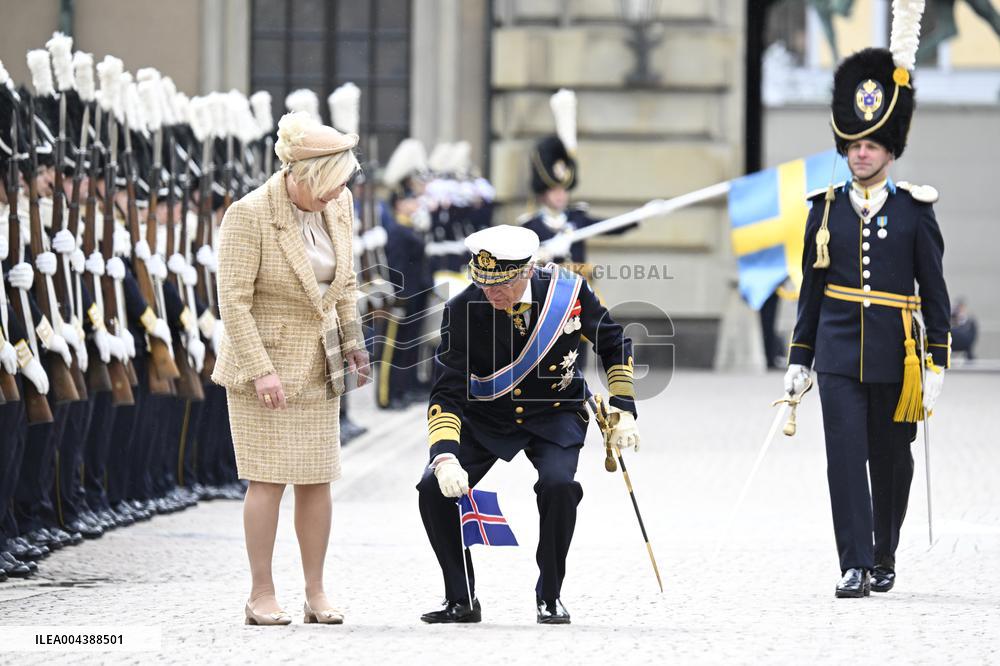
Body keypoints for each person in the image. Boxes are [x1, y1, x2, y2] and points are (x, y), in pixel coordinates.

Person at [784, 37, 951, 597]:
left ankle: (884, 553)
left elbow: (934, 288)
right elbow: (813, 286)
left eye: (873, 144)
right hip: (835, 354)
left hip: (897, 356)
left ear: (891, 149)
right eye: (854, 143)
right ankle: (852, 564)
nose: (861, 153)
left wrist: (937, 360)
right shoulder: (823, 207)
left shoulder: (914, 209)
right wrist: (799, 358)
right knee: (845, 459)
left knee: (892, 460)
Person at [416, 224, 639, 625]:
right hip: (486, 415)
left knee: (559, 487)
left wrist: (624, 407)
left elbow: (612, 341)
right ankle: (460, 598)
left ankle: (550, 595)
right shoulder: (462, 307)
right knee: (432, 488)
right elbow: (446, 390)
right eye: (482, 283)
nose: (490, 293)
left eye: (500, 284)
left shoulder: (569, 292)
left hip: (554, 411)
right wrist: (445, 455)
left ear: (526, 272)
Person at [213, 111, 370, 626]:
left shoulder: (340, 203)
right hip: (264, 369)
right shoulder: (249, 214)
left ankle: (316, 593)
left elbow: (344, 283)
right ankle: (261, 593)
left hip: (317, 364)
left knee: (317, 479)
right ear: (301, 177)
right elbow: (233, 303)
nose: (335, 196)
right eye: (327, 188)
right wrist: (261, 371)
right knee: (267, 481)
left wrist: (354, 342)